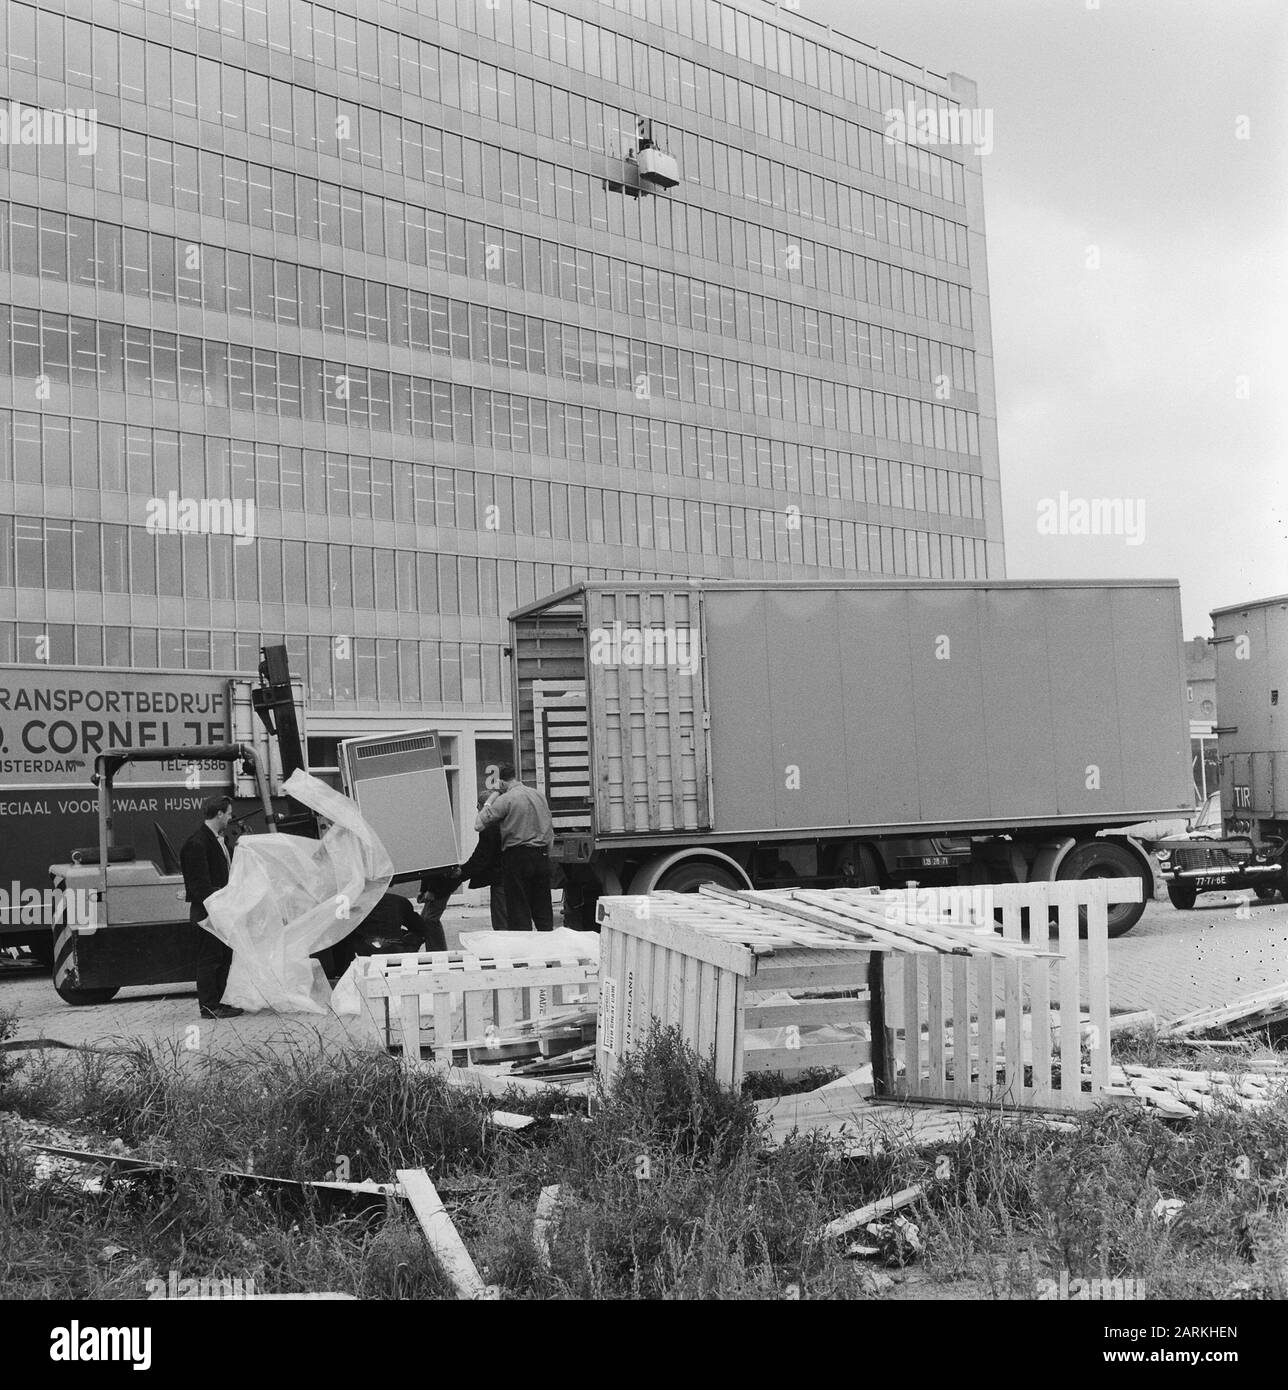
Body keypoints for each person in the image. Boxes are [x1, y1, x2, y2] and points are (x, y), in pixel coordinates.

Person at [180, 794, 243, 1019]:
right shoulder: (196, 843)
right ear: (218, 813)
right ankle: (209, 1006)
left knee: (223, 957)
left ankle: (220, 1002)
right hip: (208, 913)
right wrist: (220, 902)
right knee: (210, 959)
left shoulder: (220, 840)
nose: (229, 817)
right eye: (228, 813)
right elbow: (199, 885)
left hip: (221, 911)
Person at [475, 764, 554, 931]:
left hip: (517, 856)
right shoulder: (539, 796)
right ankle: (547, 948)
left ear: (501, 782)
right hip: (542, 855)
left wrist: (492, 798)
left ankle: (523, 952)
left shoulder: (506, 799)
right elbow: (550, 830)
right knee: (543, 908)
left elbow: (479, 824)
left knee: (519, 909)